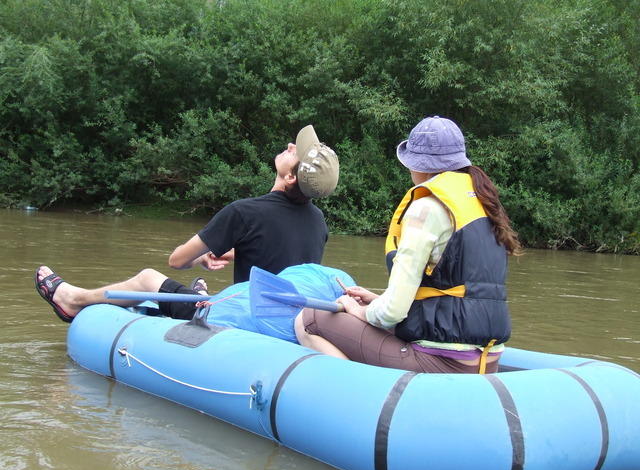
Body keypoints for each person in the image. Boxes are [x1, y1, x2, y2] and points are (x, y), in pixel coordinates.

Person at [35, 125, 339, 323]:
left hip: (240, 319)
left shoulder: (244, 212)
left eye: (294, 151)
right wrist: (228, 252)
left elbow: (178, 260)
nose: (288, 145)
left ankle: (73, 300)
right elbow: (281, 261)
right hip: (285, 320)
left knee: (147, 277)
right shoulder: (318, 221)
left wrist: (199, 259)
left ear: (289, 177)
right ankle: (201, 295)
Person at [295, 116, 521, 374]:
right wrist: (377, 300)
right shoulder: (484, 202)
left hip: (443, 362)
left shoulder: (427, 208)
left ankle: (354, 396)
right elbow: (453, 293)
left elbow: (392, 313)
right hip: (487, 359)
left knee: (309, 319)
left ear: (418, 164)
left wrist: (357, 311)